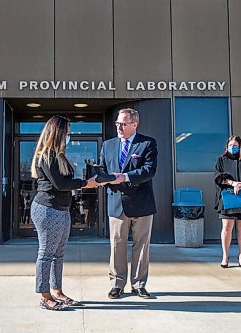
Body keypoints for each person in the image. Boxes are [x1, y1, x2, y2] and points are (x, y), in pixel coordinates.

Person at [30, 115, 98, 311]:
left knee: (58, 254)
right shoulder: (47, 156)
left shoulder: (60, 156)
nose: (69, 135)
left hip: (61, 209)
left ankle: (57, 291)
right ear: (58, 132)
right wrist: (86, 184)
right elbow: (61, 184)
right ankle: (45, 297)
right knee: (46, 254)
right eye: (67, 131)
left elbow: (65, 182)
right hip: (47, 209)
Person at [99, 108, 158, 299]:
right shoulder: (108, 145)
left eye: (123, 124)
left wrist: (124, 177)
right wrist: (99, 176)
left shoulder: (148, 143)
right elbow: (102, 169)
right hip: (117, 203)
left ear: (134, 124)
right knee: (117, 245)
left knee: (141, 246)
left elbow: (149, 170)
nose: (119, 127)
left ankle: (139, 284)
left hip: (141, 203)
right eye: (117, 123)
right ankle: (117, 283)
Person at [214, 135, 241, 269]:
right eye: (230, 145)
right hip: (227, 199)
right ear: (226, 147)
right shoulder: (222, 160)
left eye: (235, 146)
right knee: (227, 227)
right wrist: (232, 183)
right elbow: (218, 177)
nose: (233, 148)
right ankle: (225, 256)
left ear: (240, 147)